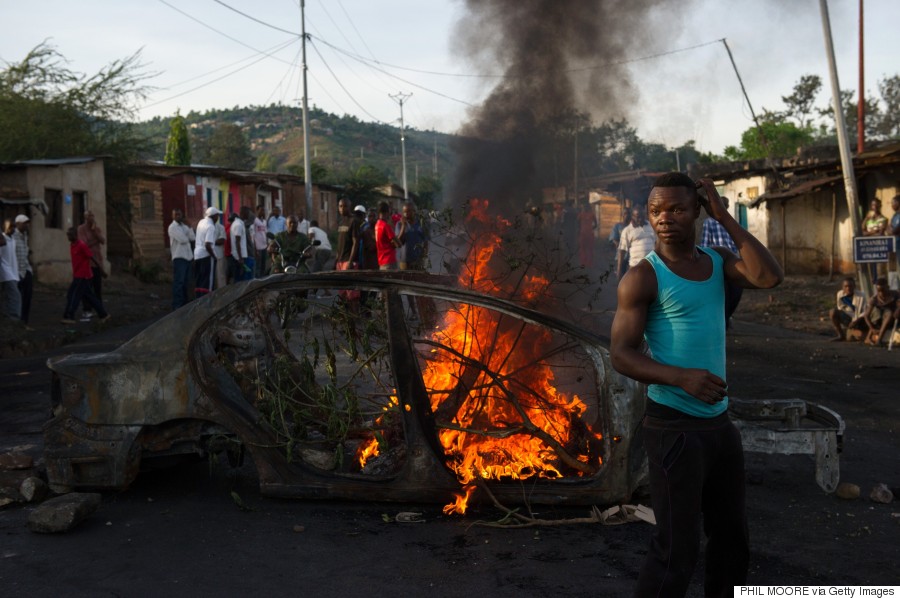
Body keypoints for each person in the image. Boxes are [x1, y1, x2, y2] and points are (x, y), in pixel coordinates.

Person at [610, 172, 783, 597]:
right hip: (673, 429)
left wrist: (725, 217)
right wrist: (680, 377)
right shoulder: (643, 277)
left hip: (719, 427)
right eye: (656, 211)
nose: (663, 218)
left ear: (698, 212)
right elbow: (621, 354)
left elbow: (768, 277)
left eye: (676, 209)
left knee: (732, 540)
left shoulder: (719, 261)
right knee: (676, 549)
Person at [700, 196, 744, 326]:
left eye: (726, 205)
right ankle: (722, 321)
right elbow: (705, 243)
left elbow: (736, 242)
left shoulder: (731, 222)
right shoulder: (709, 222)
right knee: (722, 293)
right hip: (719, 261)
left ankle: (727, 316)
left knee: (736, 291)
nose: (725, 207)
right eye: (722, 204)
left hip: (733, 261)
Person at [62, 227, 110, 325]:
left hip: (83, 275)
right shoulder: (72, 245)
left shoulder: (81, 245)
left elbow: (92, 258)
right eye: (68, 235)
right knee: (89, 296)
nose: (68, 237)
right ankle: (103, 314)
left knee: (73, 294)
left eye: (70, 235)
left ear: (75, 235)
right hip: (78, 275)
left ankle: (70, 315)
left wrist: (101, 271)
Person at [77, 210, 106, 319]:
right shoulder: (81, 229)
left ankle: (100, 309)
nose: (91, 218)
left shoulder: (96, 229)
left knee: (97, 287)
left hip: (97, 262)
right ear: (85, 218)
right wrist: (95, 240)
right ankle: (87, 309)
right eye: (89, 216)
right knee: (87, 287)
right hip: (87, 263)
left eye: (92, 215)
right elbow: (83, 245)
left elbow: (103, 241)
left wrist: (95, 233)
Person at [616, 205, 656, 280]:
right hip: (635, 267)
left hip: (651, 267)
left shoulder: (652, 226)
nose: (640, 219)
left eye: (642, 216)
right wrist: (619, 270)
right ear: (632, 216)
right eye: (637, 217)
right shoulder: (627, 230)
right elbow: (622, 251)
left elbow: (657, 244)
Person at [167, 209, 195, 310]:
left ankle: (184, 304)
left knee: (186, 282)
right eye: (176, 214)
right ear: (173, 216)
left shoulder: (184, 226)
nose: (178, 216)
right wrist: (187, 234)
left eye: (179, 214)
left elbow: (192, 238)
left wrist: (190, 227)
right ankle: (177, 305)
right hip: (179, 258)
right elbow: (183, 240)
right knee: (179, 282)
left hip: (188, 257)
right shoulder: (172, 227)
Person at [862, 277, 899, 346]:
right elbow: (866, 316)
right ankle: (878, 340)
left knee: (890, 312)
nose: (881, 293)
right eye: (879, 291)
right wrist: (871, 328)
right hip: (880, 319)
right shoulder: (874, 299)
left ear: (888, 287)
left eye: (883, 290)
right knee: (883, 313)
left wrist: (898, 309)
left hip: (894, 318)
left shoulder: (895, 294)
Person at [828, 277, 867, 341]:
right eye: (846, 286)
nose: (848, 288)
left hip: (859, 319)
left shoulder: (861, 295)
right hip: (849, 318)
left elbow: (865, 312)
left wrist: (855, 321)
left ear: (854, 286)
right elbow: (840, 308)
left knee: (851, 338)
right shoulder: (840, 294)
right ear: (842, 287)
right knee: (832, 312)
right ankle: (840, 335)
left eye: (850, 286)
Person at [193, 207, 220, 297]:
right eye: (218, 216)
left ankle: (198, 301)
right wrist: (214, 256)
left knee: (199, 280)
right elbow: (208, 244)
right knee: (208, 282)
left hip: (197, 255)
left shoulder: (201, 222)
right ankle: (207, 303)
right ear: (215, 216)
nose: (218, 218)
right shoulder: (211, 226)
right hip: (206, 256)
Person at [395, 201, 428, 271]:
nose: (406, 214)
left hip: (418, 261)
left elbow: (426, 241)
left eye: (408, 212)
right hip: (404, 262)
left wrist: (423, 256)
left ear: (414, 212)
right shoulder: (399, 224)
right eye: (404, 212)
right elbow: (397, 242)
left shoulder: (421, 224)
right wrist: (403, 227)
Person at [12, 215, 33, 324]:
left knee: (27, 298)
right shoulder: (12, 236)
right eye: (24, 223)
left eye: (27, 223)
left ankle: (25, 321)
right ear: (18, 224)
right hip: (17, 272)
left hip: (26, 270)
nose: (26, 225)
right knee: (17, 298)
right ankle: (17, 321)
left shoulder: (25, 236)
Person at [0, 219, 21, 320]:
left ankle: (7, 316)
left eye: (14, 227)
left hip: (13, 271)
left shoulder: (13, 239)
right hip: (5, 271)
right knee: (14, 295)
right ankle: (14, 317)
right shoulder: (2, 239)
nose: (12, 229)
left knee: (8, 295)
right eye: (10, 227)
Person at [375, 201, 401, 270]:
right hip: (389, 261)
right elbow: (398, 244)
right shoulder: (385, 226)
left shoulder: (377, 225)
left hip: (381, 261)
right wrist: (403, 227)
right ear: (387, 212)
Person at [228, 206, 251, 282]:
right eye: (248, 213)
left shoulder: (239, 223)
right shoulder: (238, 224)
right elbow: (237, 242)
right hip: (238, 258)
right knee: (239, 280)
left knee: (241, 279)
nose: (249, 215)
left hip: (240, 256)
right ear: (243, 213)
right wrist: (240, 258)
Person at [577, 202, 597, 269]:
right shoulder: (583, 214)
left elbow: (577, 223)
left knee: (586, 249)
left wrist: (581, 229)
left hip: (585, 234)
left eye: (585, 207)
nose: (585, 208)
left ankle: (586, 264)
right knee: (587, 249)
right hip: (587, 234)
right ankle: (587, 264)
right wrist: (591, 228)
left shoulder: (582, 214)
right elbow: (596, 224)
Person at [252, 205, 269, 277]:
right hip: (258, 247)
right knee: (258, 266)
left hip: (264, 246)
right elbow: (253, 235)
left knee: (263, 265)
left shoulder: (264, 221)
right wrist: (255, 249)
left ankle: (262, 280)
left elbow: (265, 233)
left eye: (263, 210)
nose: (263, 212)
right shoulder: (255, 221)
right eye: (261, 210)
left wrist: (267, 244)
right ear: (257, 211)